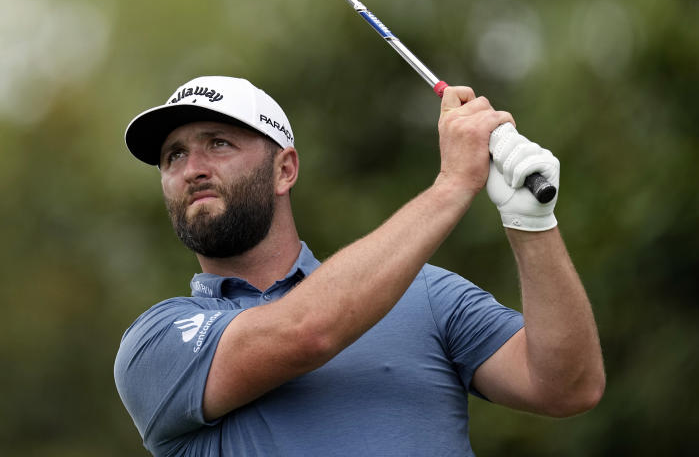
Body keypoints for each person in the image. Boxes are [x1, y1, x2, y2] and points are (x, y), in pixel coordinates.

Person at [114, 75, 604, 456]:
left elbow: (568, 386)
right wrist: (453, 184)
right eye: (173, 155)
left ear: (284, 169)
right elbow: (307, 331)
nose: (192, 168)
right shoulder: (158, 342)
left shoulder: (425, 293)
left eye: (218, 143)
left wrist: (532, 222)